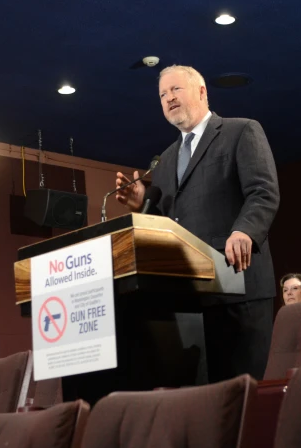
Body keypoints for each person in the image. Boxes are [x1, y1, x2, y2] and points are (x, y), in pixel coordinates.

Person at [114, 64, 280, 381]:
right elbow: (169, 228)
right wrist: (142, 206)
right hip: (187, 298)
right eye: (163, 94)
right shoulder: (163, 161)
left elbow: (263, 191)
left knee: (243, 396)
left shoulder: (240, 131)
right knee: (201, 401)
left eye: (176, 89)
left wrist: (244, 229)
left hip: (237, 286)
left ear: (202, 91)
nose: (169, 98)